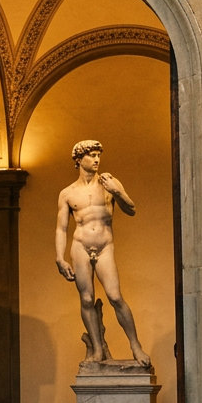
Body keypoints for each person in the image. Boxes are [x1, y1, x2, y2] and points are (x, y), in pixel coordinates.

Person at [54, 140, 151, 366]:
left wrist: (118, 192)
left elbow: (131, 210)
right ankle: (97, 349)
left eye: (98, 155)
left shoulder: (109, 182)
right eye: (92, 155)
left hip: (105, 245)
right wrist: (59, 258)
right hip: (80, 245)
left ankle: (135, 346)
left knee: (115, 297)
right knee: (86, 298)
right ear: (79, 160)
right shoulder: (67, 193)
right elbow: (61, 228)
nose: (96, 159)